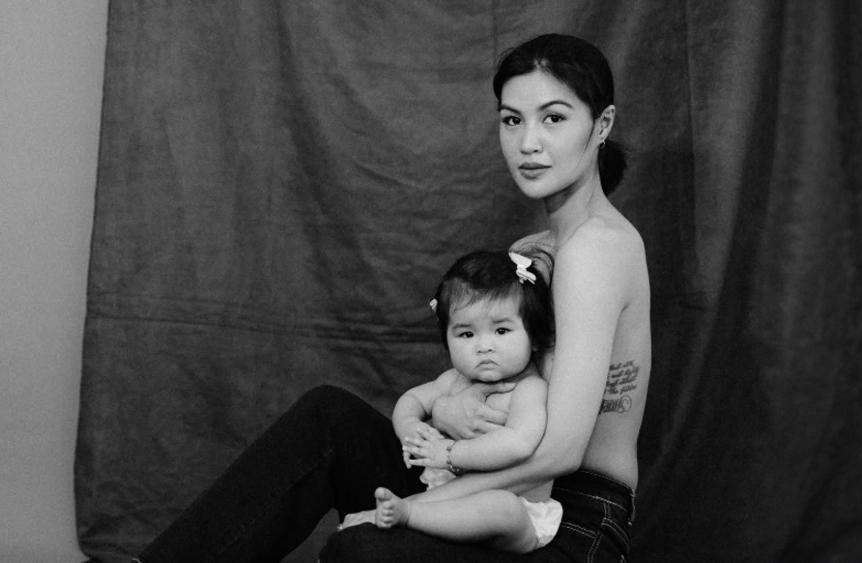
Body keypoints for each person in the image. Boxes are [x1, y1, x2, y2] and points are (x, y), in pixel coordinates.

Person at [135, 33, 650, 563]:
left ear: (602, 125)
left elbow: (560, 453)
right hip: (490, 480)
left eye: (554, 118)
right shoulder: (530, 249)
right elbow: (489, 382)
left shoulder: (596, 247)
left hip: (568, 523)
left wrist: (409, 509)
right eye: (512, 120)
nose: (528, 143)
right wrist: (447, 411)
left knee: (364, 547)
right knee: (329, 421)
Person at [367, 249, 560, 553]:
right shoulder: (453, 380)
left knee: (502, 507)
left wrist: (449, 453)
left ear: (533, 337)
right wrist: (410, 428)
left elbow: (518, 444)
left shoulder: (529, 390)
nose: (484, 346)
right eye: (467, 334)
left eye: (501, 330)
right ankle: (418, 517)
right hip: (450, 498)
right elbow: (412, 399)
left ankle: (410, 514)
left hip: (518, 509)